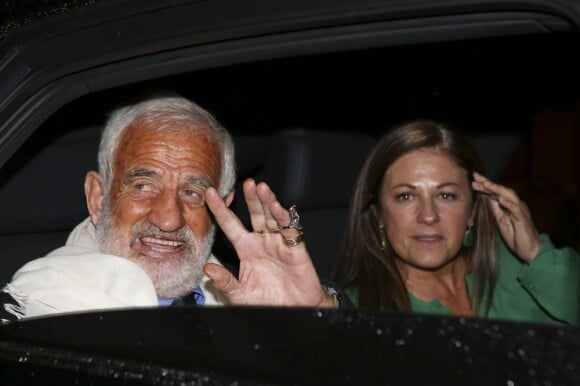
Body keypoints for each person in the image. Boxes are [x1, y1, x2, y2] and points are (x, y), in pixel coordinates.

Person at [1, 95, 338, 322]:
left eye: (192, 192)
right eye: (143, 186)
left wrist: (311, 320)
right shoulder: (35, 313)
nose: (168, 219)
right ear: (99, 198)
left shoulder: (243, 300)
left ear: (224, 207)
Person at [333, 119, 579, 325]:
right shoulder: (361, 309)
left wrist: (537, 253)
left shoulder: (513, 265)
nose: (428, 215)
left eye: (446, 195)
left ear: (472, 210)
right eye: (405, 196)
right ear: (378, 215)